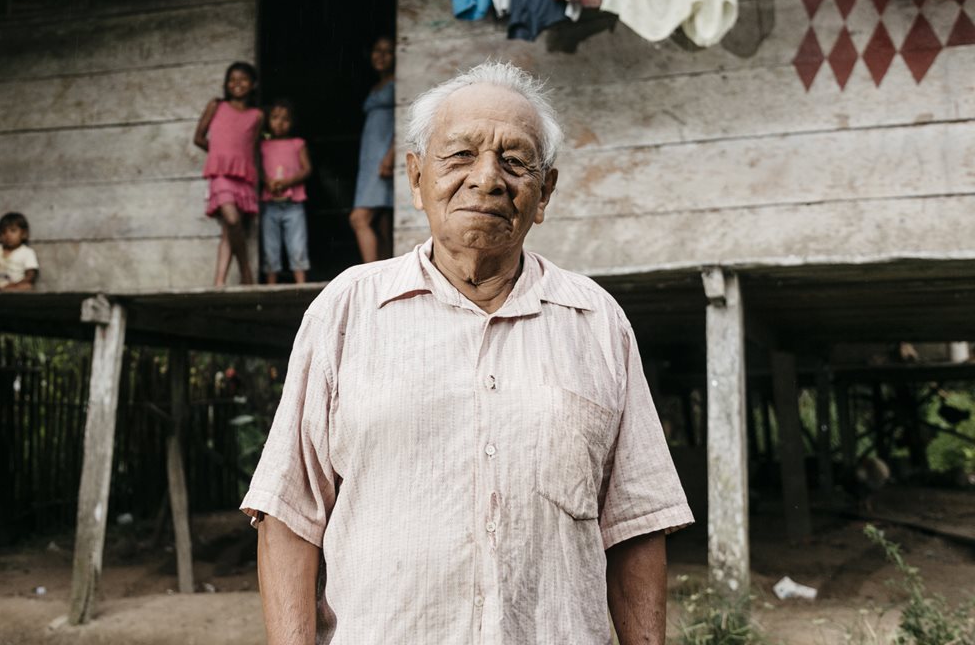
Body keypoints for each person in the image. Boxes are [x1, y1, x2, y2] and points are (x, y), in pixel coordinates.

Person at [242, 62, 693, 644]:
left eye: (515, 161)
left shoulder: (596, 321)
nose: (487, 179)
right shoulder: (347, 311)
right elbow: (288, 514)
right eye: (459, 156)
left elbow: (634, 525)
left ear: (544, 191)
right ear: (416, 177)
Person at [194, 62, 263, 286]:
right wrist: (219, 156)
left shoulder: (257, 115)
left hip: (242, 176)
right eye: (232, 79)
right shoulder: (216, 106)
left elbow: (251, 148)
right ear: (226, 84)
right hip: (220, 173)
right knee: (232, 220)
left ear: (253, 85)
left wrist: (242, 165)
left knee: (228, 231)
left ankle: (219, 281)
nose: (237, 84)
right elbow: (199, 137)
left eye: (243, 79)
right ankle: (245, 270)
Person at [349, 36, 395, 263]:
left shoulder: (398, 83)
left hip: (382, 160)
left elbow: (404, 121)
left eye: (388, 51)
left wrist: (391, 155)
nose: (381, 56)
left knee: (359, 218)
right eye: (377, 50)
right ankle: (388, 274)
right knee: (383, 223)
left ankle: (369, 274)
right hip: (369, 161)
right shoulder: (377, 85)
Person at [260, 100, 312, 285]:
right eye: (275, 118)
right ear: (268, 120)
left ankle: (301, 284)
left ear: (292, 122)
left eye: (285, 119)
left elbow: (307, 169)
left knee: (297, 244)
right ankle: (271, 285)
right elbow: (258, 169)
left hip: (293, 204)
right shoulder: (263, 146)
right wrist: (268, 182)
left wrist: (287, 182)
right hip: (270, 204)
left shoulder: (298, 144)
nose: (279, 123)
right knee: (270, 246)